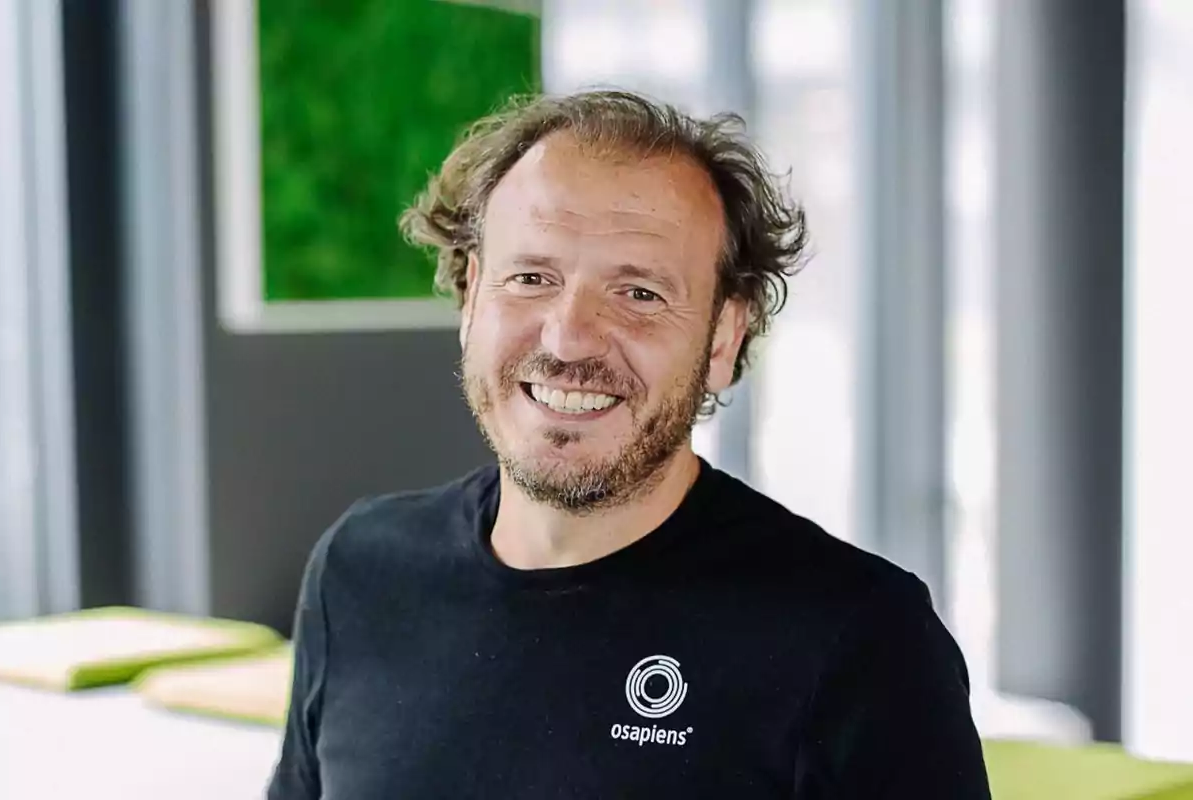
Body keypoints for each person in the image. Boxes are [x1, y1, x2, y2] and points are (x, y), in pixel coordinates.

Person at [266, 90, 991, 799]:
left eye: (638, 294)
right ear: (472, 296)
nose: (568, 336)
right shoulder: (359, 569)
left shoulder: (859, 640)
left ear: (723, 338)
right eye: (531, 278)